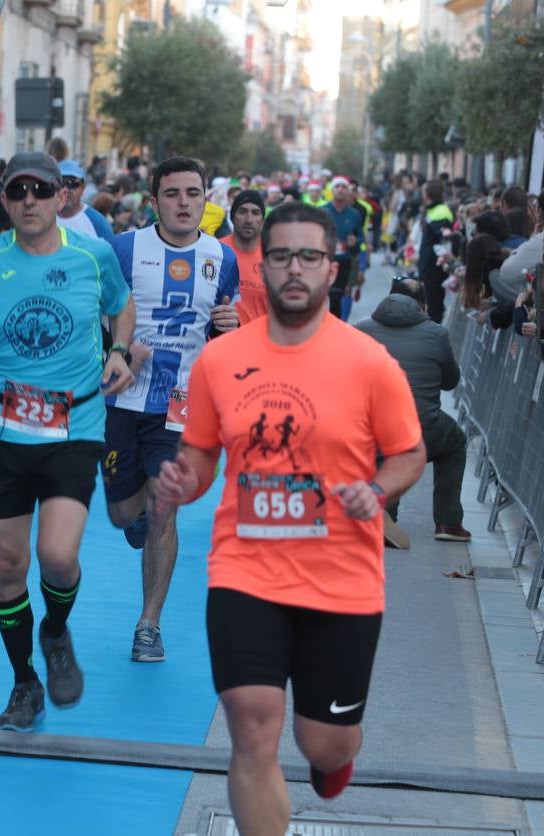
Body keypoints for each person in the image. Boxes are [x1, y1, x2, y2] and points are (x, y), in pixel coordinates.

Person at [156, 201, 426, 832]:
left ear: (333, 269)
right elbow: (198, 452)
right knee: (251, 729)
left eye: (310, 256)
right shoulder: (219, 360)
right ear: (263, 265)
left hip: (342, 578)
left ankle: (337, 758)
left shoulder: (368, 362)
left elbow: (409, 452)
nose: (296, 268)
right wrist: (182, 481)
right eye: (282, 256)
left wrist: (377, 490)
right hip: (246, 569)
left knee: (323, 745)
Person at [0, 151, 136, 731]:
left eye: (41, 191)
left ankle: (56, 629)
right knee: (6, 565)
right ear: (4, 200)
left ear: (60, 197)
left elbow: (122, 308)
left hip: (74, 426)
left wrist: (118, 350)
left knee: (58, 557)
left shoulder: (93, 256)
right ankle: (24, 683)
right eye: (18, 192)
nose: (30, 202)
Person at [103, 156, 240, 663]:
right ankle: (132, 518)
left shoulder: (221, 259)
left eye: (193, 193)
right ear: (154, 200)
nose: (184, 203)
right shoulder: (124, 249)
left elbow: (221, 330)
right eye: (172, 194)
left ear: (206, 199)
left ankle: (148, 626)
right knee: (124, 514)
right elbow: (99, 313)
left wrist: (230, 328)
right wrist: (116, 351)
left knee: (165, 505)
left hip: (182, 402)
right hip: (124, 398)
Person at [355, 276, 469, 541]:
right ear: (423, 306)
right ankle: (448, 523)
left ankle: (384, 515)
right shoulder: (437, 333)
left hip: (371, 427)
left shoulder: (360, 329)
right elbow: (450, 381)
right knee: (455, 443)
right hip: (421, 426)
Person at [322, 177, 366, 320]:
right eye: (337, 186)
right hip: (325, 260)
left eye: (344, 187)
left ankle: (339, 327)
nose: (340, 189)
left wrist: (356, 241)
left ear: (347, 191)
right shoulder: (323, 211)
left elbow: (361, 237)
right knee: (325, 296)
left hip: (346, 261)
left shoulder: (354, 214)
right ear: (332, 190)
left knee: (341, 295)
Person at [221, 189, 267, 325]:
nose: (249, 220)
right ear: (232, 217)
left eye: (256, 213)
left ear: (262, 220)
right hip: (222, 342)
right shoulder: (215, 251)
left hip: (259, 342)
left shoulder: (272, 257)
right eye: (242, 211)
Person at [416, 178, 453, 322]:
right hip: (428, 264)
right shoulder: (432, 210)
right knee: (429, 304)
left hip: (435, 266)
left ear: (427, 193)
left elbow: (442, 238)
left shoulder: (441, 211)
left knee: (434, 305)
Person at [55, 160, 115, 242]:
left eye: (73, 184)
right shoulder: (44, 219)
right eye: (61, 183)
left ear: (83, 188)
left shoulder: (97, 223)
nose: (66, 189)